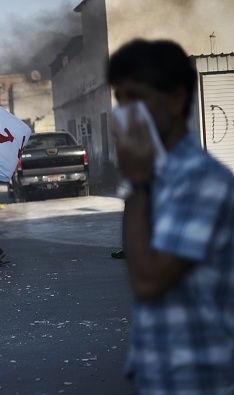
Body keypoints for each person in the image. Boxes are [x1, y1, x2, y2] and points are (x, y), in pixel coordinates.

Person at [108, 39, 234, 394]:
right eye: (120, 100)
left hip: (200, 378)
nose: (125, 114)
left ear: (176, 99)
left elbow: (148, 281)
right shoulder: (161, 175)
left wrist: (135, 184)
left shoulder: (200, 180)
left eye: (137, 98)